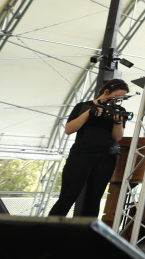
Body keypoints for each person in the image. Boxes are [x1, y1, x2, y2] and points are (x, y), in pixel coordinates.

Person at [50, 79, 129, 217]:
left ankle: (86, 230)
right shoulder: (83, 106)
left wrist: (117, 122)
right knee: (68, 196)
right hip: (81, 156)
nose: (117, 101)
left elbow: (117, 137)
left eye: (121, 99)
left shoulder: (119, 111)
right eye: (116, 97)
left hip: (105, 158)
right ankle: (48, 228)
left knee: (94, 199)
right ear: (106, 92)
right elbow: (69, 129)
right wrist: (88, 113)